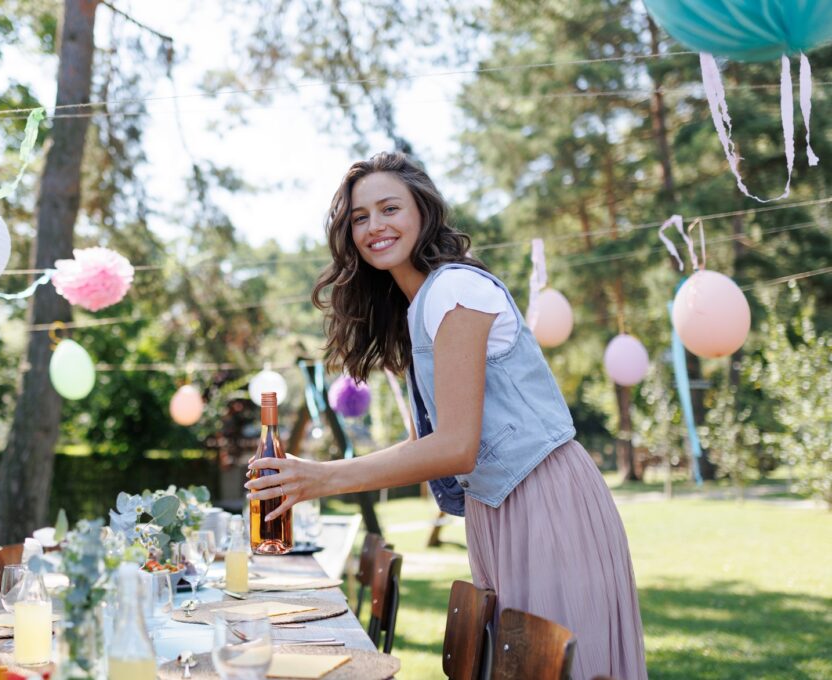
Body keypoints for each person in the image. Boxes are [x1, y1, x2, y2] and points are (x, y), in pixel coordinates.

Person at [245, 151, 647, 679]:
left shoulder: (454, 290)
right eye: (359, 218)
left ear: (422, 212)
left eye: (389, 208)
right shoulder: (423, 305)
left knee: (555, 666)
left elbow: (456, 445)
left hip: (545, 496)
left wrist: (321, 478)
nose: (374, 227)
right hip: (499, 506)